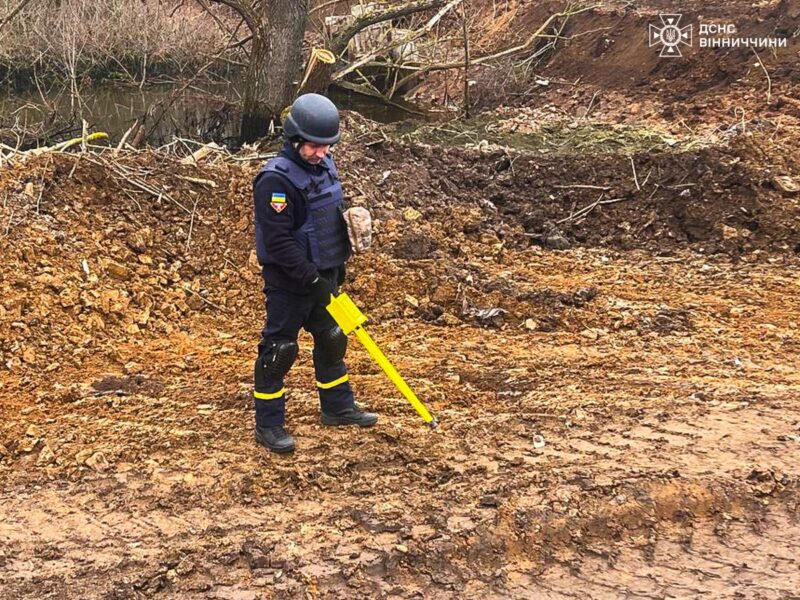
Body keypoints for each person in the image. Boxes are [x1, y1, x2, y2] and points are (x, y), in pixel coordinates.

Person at [251, 93, 378, 454]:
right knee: (280, 351)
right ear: (293, 139)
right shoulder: (274, 182)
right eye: (314, 146)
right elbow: (278, 243)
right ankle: (269, 424)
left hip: (328, 275)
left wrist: (348, 235)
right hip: (291, 284)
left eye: (326, 146)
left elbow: (322, 218)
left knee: (332, 339)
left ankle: (338, 408)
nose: (321, 153)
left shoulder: (324, 165)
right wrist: (311, 280)